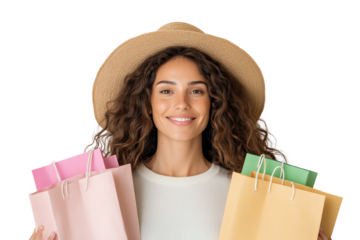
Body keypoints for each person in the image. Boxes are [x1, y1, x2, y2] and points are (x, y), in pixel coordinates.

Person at [29, 20, 332, 240]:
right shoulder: (106, 196)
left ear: (215, 103)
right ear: (146, 103)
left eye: (197, 91)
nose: (182, 104)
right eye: (166, 91)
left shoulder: (249, 195)